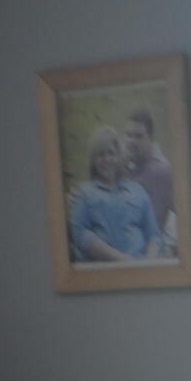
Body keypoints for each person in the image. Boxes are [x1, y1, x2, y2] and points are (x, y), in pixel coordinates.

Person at [68, 126, 162, 264]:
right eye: (101, 155)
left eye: (111, 153)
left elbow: (154, 235)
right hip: (102, 270)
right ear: (93, 161)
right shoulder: (84, 193)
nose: (107, 159)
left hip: (141, 267)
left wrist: (148, 264)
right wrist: (121, 260)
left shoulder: (138, 190)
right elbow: (79, 233)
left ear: (119, 157)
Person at [123, 108, 177, 253]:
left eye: (138, 136)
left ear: (151, 138)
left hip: (151, 251)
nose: (131, 141)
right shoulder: (123, 164)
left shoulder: (163, 172)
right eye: (128, 135)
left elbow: (185, 213)